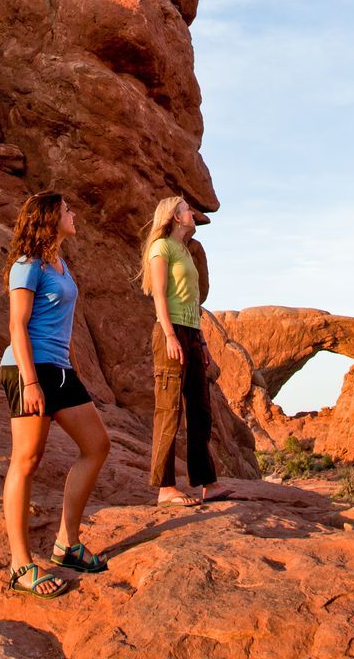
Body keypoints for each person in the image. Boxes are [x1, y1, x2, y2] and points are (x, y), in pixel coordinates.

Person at [0, 192, 111, 597]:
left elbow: (61, 323)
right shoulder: (26, 267)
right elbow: (17, 326)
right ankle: (20, 566)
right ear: (50, 218)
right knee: (27, 461)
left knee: (97, 445)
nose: (74, 214)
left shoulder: (60, 265)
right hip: (29, 369)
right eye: (67, 211)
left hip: (60, 370)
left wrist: (70, 367)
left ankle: (67, 544)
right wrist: (30, 382)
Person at [141, 194, 226, 506]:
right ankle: (165, 488)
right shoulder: (161, 248)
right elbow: (159, 296)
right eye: (187, 210)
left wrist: (201, 341)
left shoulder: (185, 251)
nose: (192, 213)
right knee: (169, 409)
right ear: (175, 217)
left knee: (200, 410)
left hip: (191, 333)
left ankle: (208, 483)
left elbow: (192, 300)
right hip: (171, 332)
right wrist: (169, 335)